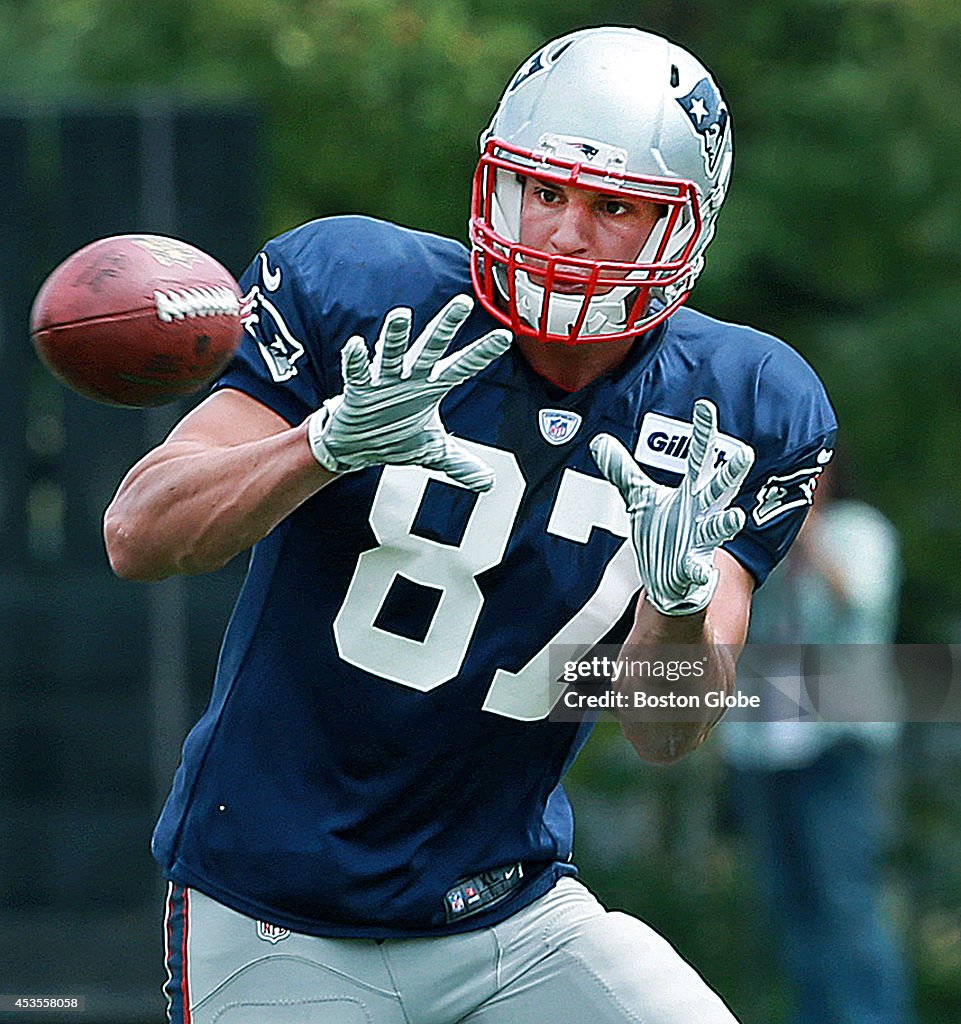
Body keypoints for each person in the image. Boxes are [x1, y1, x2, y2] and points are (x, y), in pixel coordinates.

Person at [103, 26, 836, 1024]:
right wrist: (320, 444)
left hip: (514, 913)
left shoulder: (740, 405)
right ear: (499, 182)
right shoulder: (363, 297)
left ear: (684, 229)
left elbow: (666, 733)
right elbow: (137, 534)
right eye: (544, 191)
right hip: (276, 913)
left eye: (613, 205)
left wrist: (679, 600)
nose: (565, 233)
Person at [719, 463, 916, 1024]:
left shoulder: (861, 530)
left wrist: (808, 532)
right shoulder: (757, 538)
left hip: (837, 745)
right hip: (760, 748)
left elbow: (857, 602)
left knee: (845, 900)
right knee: (789, 906)